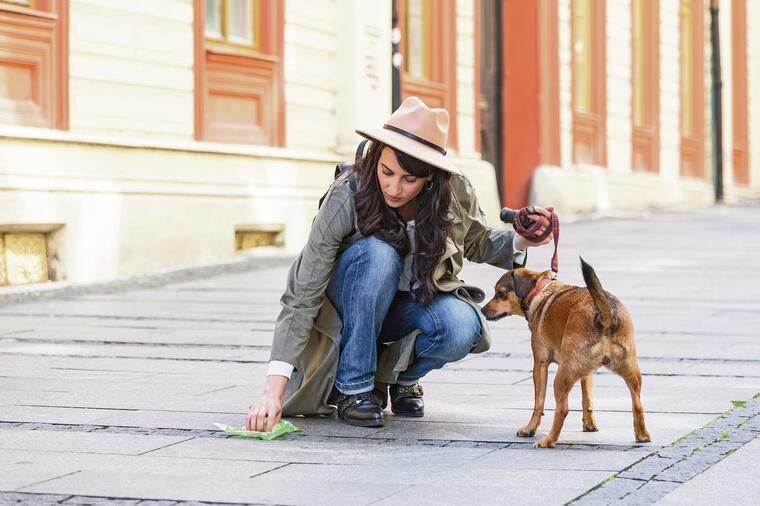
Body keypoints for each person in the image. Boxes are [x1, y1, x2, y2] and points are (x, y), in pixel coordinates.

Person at [246, 96, 552, 430]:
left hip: (406, 307)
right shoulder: (348, 194)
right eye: (387, 172)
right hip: (348, 308)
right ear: (376, 157)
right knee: (378, 253)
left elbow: (476, 240)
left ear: (430, 178)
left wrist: (524, 239)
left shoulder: (453, 192)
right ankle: (355, 388)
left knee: (462, 326)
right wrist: (271, 391)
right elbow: (302, 292)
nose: (394, 187)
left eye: (409, 179)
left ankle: (394, 379)